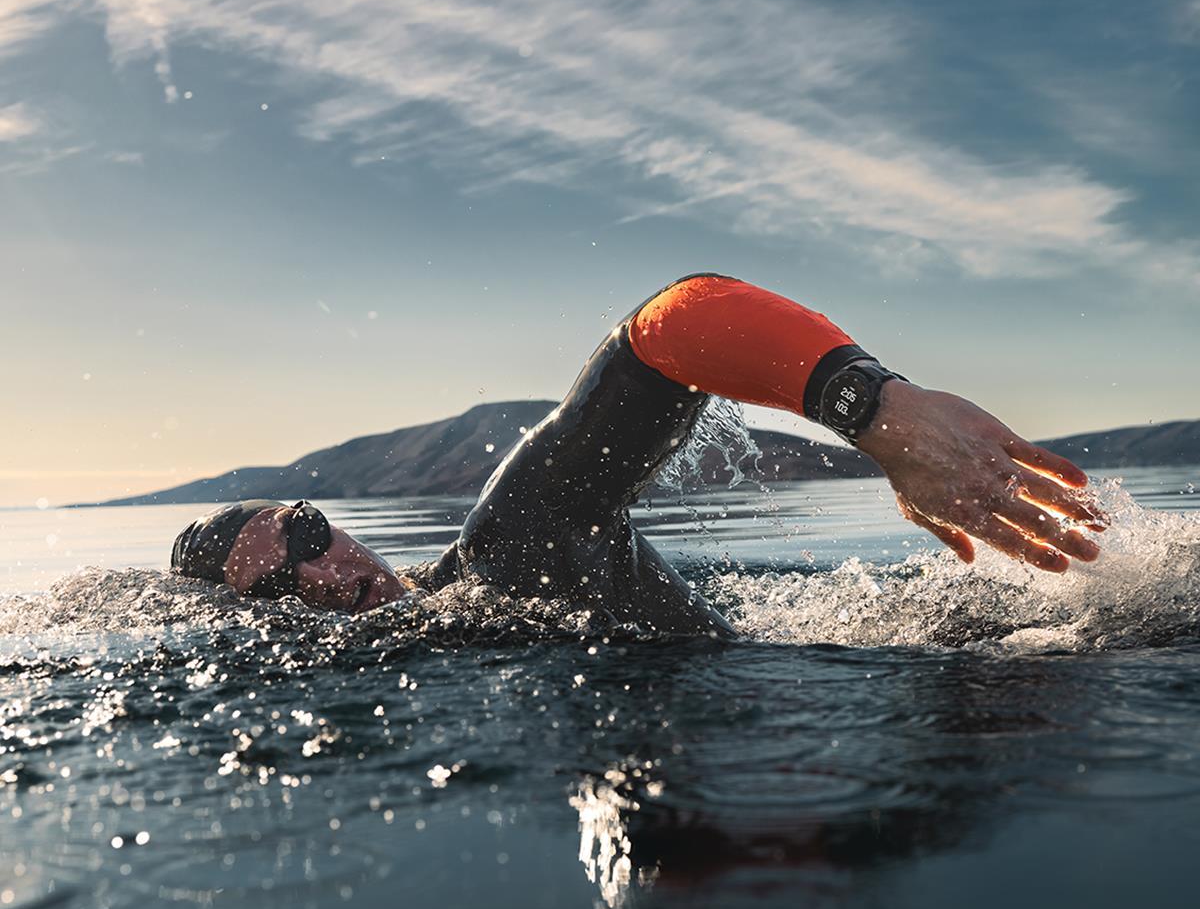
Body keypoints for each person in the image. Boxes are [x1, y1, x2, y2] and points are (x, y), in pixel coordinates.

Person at [171, 273, 1104, 635]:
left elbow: (672, 327)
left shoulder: (509, 548)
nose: (325, 576)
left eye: (309, 534)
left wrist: (879, 411)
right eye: (283, 586)